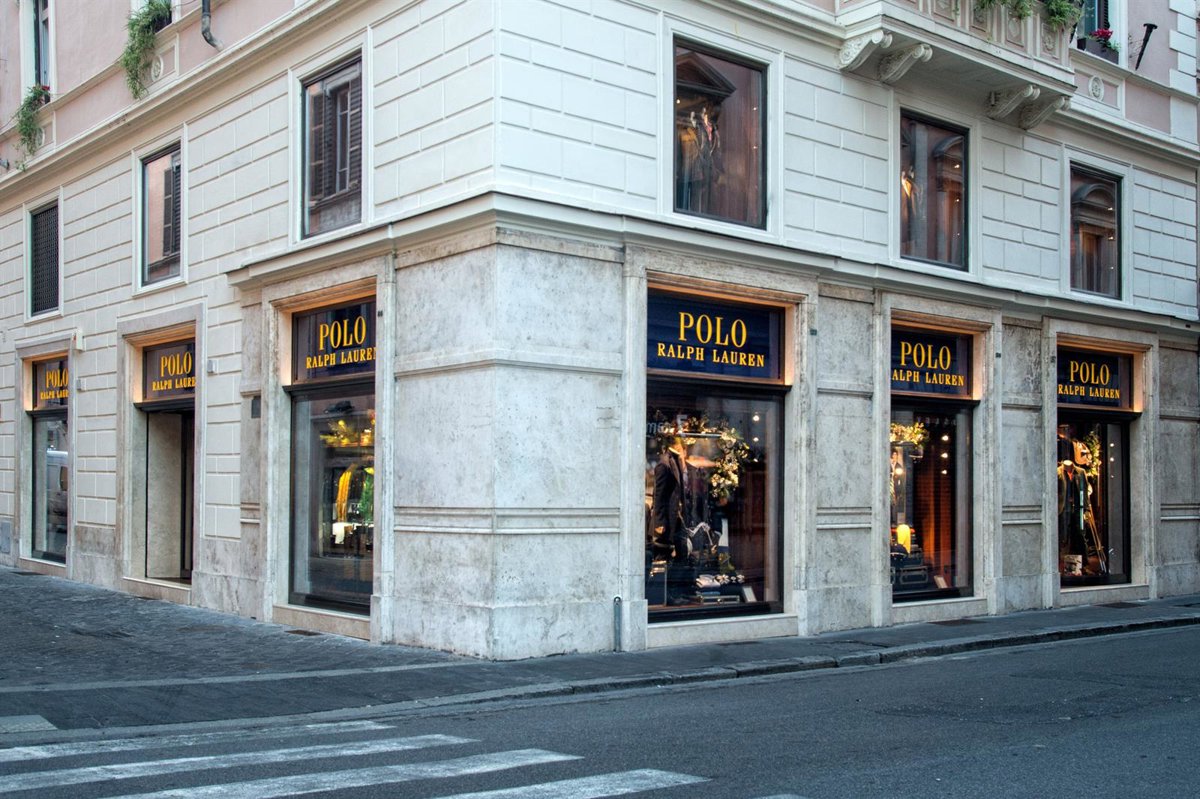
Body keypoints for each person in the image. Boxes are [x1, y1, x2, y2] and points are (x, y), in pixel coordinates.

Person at [651, 435, 695, 605]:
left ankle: (674, 592)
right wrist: (660, 524)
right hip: (668, 520)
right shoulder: (664, 464)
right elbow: (659, 496)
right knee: (666, 557)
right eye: (681, 446)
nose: (684, 450)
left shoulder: (675, 462)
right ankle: (666, 595)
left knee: (682, 552)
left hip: (676, 518)